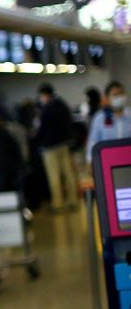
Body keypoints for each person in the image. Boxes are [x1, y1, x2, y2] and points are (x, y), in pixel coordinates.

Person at [35, 83, 78, 211]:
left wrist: (38, 141)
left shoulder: (46, 109)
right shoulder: (62, 105)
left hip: (50, 147)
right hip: (64, 144)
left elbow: (41, 129)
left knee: (54, 176)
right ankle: (73, 200)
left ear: (45, 95)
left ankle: (58, 203)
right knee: (68, 174)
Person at [86, 81, 131, 162]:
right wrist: (90, 160)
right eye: (116, 95)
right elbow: (93, 141)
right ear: (107, 98)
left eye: (122, 93)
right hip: (108, 161)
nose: (120, 97)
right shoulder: (99, 118)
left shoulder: (129, 115)